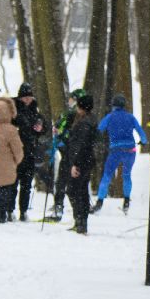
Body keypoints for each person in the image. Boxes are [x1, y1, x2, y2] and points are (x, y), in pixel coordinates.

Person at [93, 94, 147, 213]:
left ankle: (99, 202)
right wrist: (143, 142)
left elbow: (98, 130)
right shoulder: (130, 117)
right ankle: (126, 201)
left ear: (113, 105)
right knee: (127, 175)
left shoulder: (109, 117)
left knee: (107, 175)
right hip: (130, 150)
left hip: (115, 151)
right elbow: (142, 133)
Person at [44, 88, 90, 222]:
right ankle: (78, 214)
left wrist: (60, 135)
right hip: (78, 153)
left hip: (69, 152)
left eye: (71, 98)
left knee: (64, 181)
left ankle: (61, 208)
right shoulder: (86, 115)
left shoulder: (70, 113)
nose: (68, 101)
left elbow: (59, 128)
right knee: (74, 183)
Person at [0, 96, 25, 224]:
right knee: (5, 190)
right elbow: (18, 149)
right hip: (8, 164)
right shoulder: (11, 130)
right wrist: (17, 160)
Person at [63, 93, 99, 234]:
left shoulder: (84, 124)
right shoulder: (90, 121)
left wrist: (74, 164)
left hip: (81, 161)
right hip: (88, 160)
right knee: (82, 191)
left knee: (73, 190)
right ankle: (81, 221)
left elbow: (79, 145)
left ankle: (80, 221)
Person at [11, 83, 45, 220]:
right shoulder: (13, 110)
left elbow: (43, 124)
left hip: (30, 152)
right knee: (13, 183)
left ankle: (23, 211)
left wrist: (41, 127)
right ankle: (10, 209)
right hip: (16, 152)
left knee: (27, 185)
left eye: (29, 97)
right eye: (25, 98)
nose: (27, 100)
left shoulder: (34, 110)